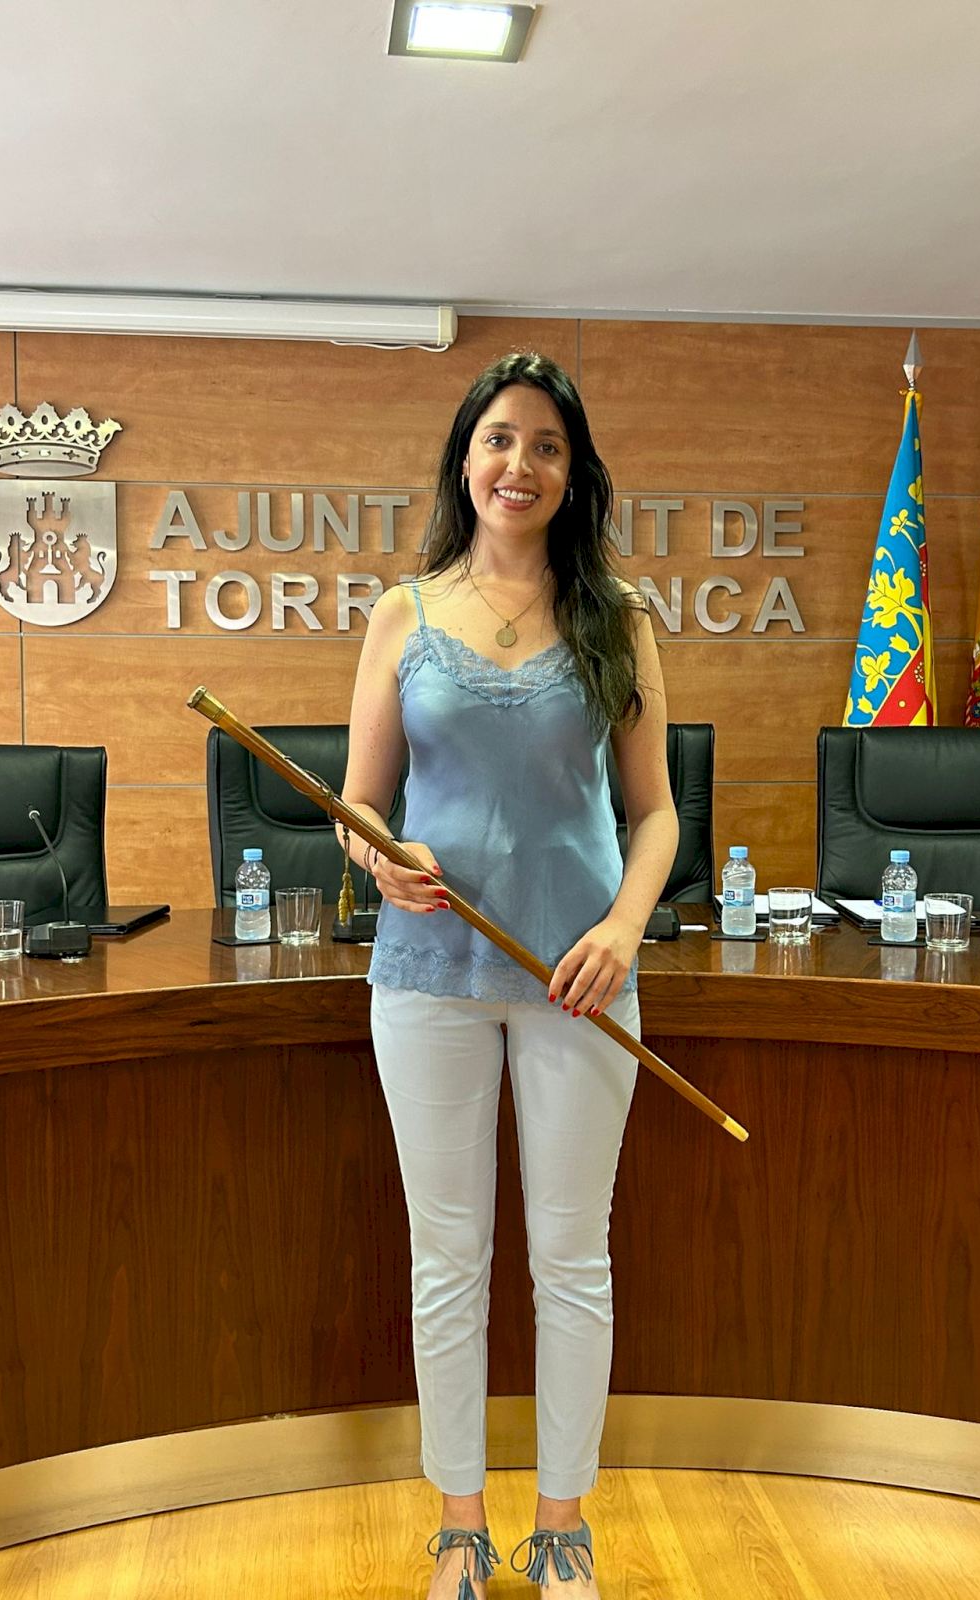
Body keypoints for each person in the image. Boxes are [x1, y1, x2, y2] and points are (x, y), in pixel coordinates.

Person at [341, 351, 678, 1598]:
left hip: (577, 980)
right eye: (497, 439)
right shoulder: (403, 614)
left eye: (545, 444)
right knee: (448, 1259)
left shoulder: (619, 617)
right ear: (464, 459)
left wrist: (626, 927)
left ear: (573, 471)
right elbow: (359, 804)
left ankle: (564, 1529)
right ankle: (461, 1529)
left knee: (571, 1260)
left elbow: (655, 813)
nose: (518, 464)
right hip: (428, 976)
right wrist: (383, 854)